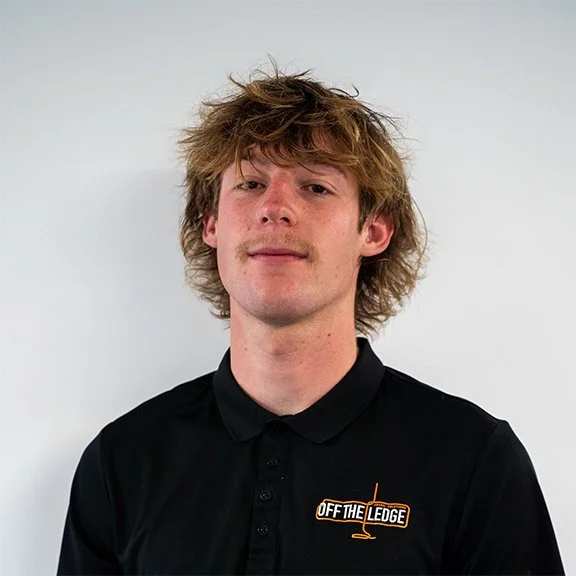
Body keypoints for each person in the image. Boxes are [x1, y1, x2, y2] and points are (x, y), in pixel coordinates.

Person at [57, 65, 565, 575]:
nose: (275, 207)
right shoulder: (121, 460)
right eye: (250, 183)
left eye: (316, 187)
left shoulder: (473, 460)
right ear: (212, 224)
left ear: (374, 231)